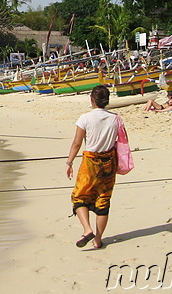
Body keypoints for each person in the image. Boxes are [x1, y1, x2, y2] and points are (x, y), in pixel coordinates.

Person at [66, 85, 120, 250]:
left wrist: (69, 162)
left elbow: (77, 143)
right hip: (109, 160)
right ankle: (98, 239)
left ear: (92, 99)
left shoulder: (85, 118)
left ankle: (87, 229)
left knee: (80, 196)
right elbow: (121, 142)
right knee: (103, 200)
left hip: (91, 161)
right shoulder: (116, 118)